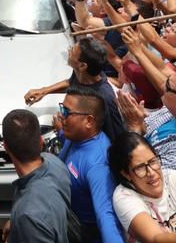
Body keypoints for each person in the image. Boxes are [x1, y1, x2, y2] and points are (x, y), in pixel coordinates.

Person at [56, 85, 126, 243]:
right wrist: (60, 132)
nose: (61, 116)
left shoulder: (98, 165)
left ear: (89, 121)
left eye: (67, 112)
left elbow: (105, 215)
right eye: (62, 109)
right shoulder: (75, 136)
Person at [2, 108, 71, 243]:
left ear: (6, 146)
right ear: (41, 141)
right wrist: (15, 222)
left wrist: (22, 222)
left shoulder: (29, 216)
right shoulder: (55, 163)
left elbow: (33, 214)